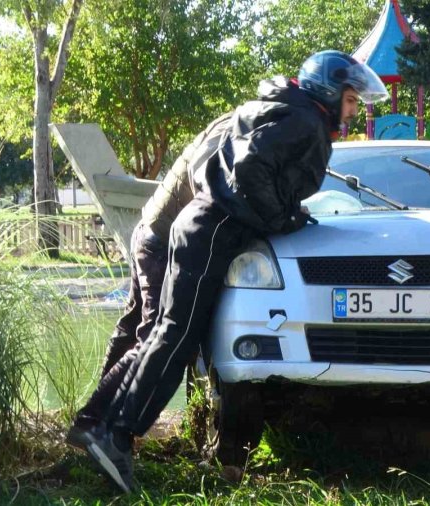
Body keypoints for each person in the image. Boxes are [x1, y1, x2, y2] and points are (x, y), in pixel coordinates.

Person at [78, 50, 388, 493]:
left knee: (167, 333)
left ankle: (104, 426)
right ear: (329, 92)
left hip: (203, 226)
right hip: (212, 230)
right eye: (352, 100)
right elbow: (249, 168)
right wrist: (283, 217)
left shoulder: (284, 110)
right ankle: (116, 434)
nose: (355, 110)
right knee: (174, 336)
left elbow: (249, 167)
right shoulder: (305, 121)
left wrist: (284, 211)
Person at [65, 116, 230, 448]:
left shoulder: (236, 127)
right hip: (162, 240)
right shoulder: (232, 129)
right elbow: (202, 175)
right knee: (154, 337)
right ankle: (95, 424)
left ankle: (94, 421)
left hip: (152, 230)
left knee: (131, 330)